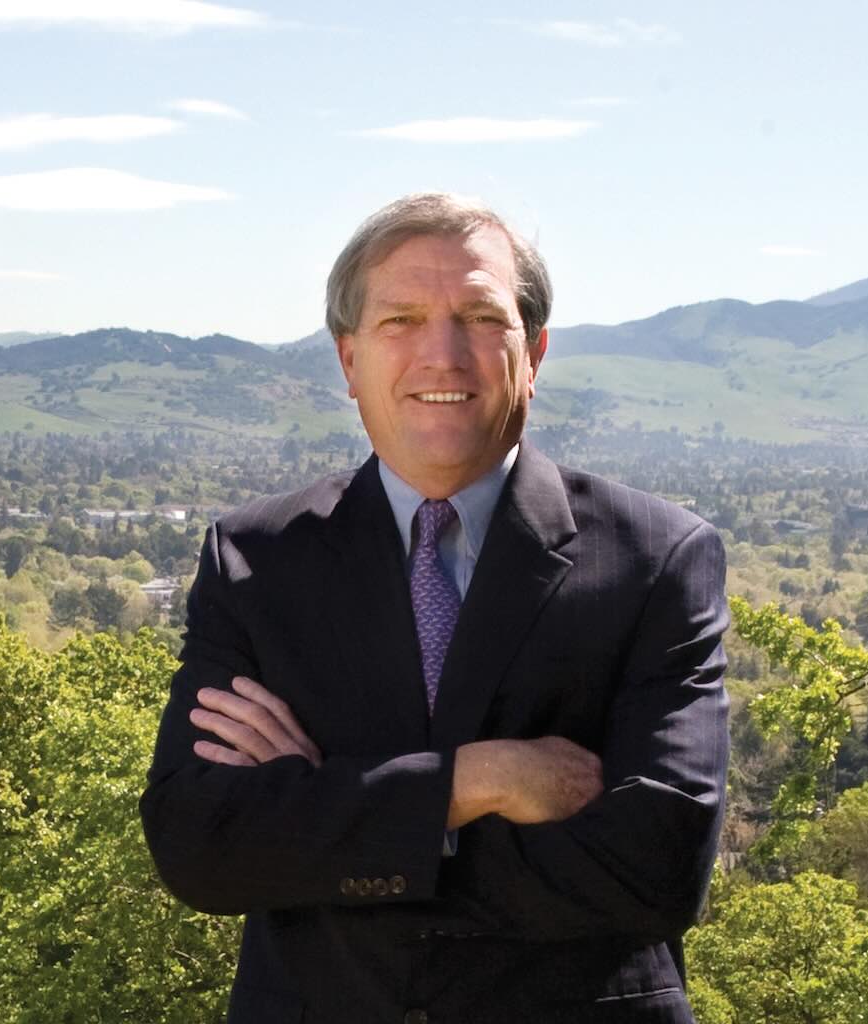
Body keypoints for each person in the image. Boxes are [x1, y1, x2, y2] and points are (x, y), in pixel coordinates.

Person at [140, 192, 729, 1024]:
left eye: (481, 318)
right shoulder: (256, 561)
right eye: (401, 321)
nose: (442, 356)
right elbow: (201, 845)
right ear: (349, 360)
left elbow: (658, 868)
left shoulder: (655, 559)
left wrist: (327, 822)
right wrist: (478, 781)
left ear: (534, 353)